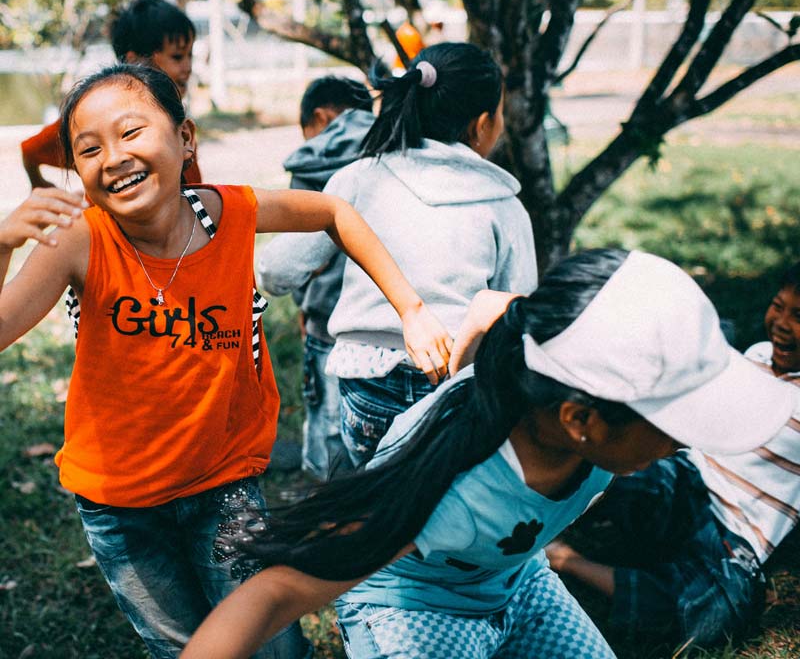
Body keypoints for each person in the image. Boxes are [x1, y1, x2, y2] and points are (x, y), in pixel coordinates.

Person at [0, 63, 451, 659]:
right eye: (89, 148)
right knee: (187, 648)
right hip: (120, 506)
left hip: (222, 484)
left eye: (131, 133)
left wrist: (412, 308)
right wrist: (4, 244)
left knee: (271, 644)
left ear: (185, 139)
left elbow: (336, 214)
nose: (113, 157)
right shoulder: (81, 240)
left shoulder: (231, 213)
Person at [181, 248, 796, 659]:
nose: (684, 440)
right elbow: (278, 590)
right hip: (414, 607)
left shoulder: (541, 356)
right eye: (672, 422)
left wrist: (464, 358)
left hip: (516, 580)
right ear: (580, 421)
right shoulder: (448, 486)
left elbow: (492, 308)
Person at [259, 42, 537, 468]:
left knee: (371, 501)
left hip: (365, 384)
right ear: (483, 124)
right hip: (453, 386)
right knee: (429, 507)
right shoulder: (503, 205)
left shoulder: (358, 179)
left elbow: (276, 269)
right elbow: (515, 311)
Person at [545, 260, 800, 651]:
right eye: (777, 306)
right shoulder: (758, 354)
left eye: (798, 315)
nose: (781, 322)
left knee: (715, 611)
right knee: (620, 461)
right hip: (686, 478)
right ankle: (545, 516)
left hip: (736, 533)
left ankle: (565, 560)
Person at [259, 75, 375, 479]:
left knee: (327, 431)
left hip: (327, 320)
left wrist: (302, 306)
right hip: (387, 326)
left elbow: (294, 258)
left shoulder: (315, 161)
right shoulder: (392, 149)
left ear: (321, 117)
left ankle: (321, 505)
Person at [20, 0, 200, 189]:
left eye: (190, 55)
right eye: (177, 56)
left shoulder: (174, 117)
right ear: (136, 62)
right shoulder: (96, 115)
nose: (188, 66)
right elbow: (30, 149)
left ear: (185, 135)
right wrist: (39, 183)